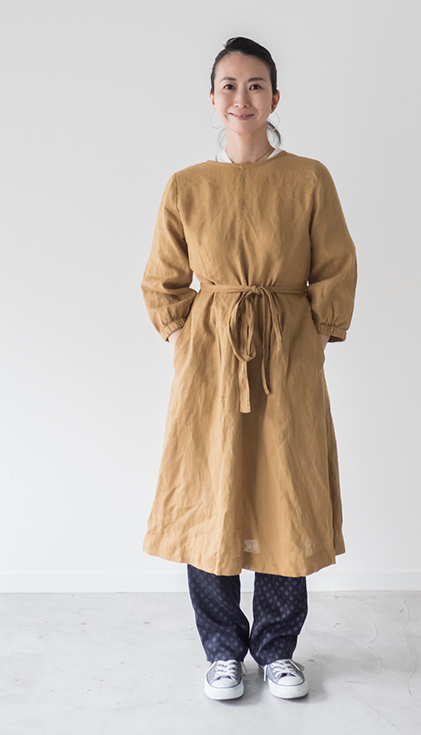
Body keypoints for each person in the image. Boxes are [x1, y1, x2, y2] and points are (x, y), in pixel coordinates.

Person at [140, 36, 358, 701]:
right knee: (211, 495)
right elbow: (162, 278)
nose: (242, 98)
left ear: (274, 97)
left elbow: (335, 266)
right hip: (211, 364)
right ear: (213, 99)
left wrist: (316, 334)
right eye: (229, 86)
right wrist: (187, 334)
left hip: (286, 358)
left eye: (255, 84)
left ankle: (278, 648)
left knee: (284, 494)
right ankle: (221, 652)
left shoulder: (309, 178)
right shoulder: (187, 185)